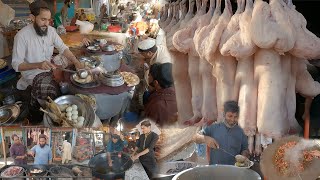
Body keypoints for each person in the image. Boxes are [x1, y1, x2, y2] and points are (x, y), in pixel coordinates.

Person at [11, 0, 83, 113]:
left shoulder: (51, 31)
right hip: (32, 74)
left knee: (70, 68)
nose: (47, 24)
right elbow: (16, 65)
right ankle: (42, 112)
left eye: (49, 20)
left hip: (49, 68)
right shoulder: (21, 36)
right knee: (50, 89)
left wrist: (76, 61)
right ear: (32, 17)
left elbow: (63, 48)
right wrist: (39, 64)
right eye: (43, 19)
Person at [193, 101, 249, 165]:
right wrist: (205, 139)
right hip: (215, 170)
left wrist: (244, 156)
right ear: (224, 114)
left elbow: (245, 149)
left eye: (235, 117)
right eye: (230, 116)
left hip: (234, 170)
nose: (233, 120)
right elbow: (195, 137)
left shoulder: (240, 132)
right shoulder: (214, 127)